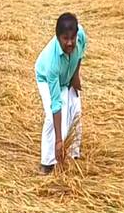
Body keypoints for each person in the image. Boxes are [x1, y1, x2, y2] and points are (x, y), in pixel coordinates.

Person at [34, 13, 87, 174]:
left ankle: (73, 154)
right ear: (57, 37)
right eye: (65, 39)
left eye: (73, 38)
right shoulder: (52, 63)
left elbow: (80, 54)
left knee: (76, 111)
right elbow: (56, 103)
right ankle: (48, 163)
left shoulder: (81, 36)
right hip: (46, 78)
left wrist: (75, 76)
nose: (70, 43)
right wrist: (58, 140)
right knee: (53, 117)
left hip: (68, 73)